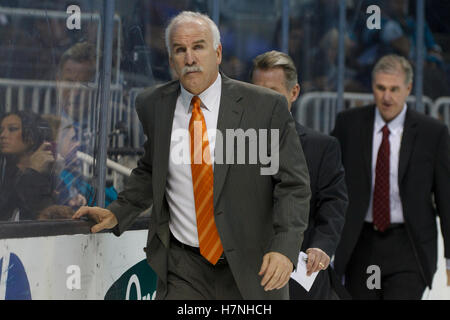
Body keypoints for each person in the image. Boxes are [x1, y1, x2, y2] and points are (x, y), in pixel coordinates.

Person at [73, 11, 311, 300]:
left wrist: (284, 249)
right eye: (179, 50)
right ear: (171, 59)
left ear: (218, 52)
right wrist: (117, 212)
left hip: (253, 267)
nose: (190, 58)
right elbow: (152, 169)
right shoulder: (153, 104)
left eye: (198, 46)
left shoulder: (265, 107)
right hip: (184, 267)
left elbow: (292, 186)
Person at [331, 54, 450, 299]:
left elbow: (446, 197)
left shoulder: (432, 133)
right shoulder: (349, 125)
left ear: (408, 88)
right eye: (381, 88)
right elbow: (329, 181)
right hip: (360, 243)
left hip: (409, 245)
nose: (387, 97)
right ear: (372, 87)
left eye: (394, 89)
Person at [251, 50, 349, 299]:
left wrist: (321, 245)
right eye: (257, 92)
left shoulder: (322, 147)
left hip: (300, 275)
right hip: (244, 272)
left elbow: (333, 203)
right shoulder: (232, 144)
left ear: (294, 93)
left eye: (272, 92)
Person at [0, 111, 55, 221]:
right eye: (1, 130)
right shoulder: (4, 171)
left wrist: (33, 174)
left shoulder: (49, 174)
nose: (2, 135)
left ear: (31, 136)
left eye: (12, 129)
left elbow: (44, 215)